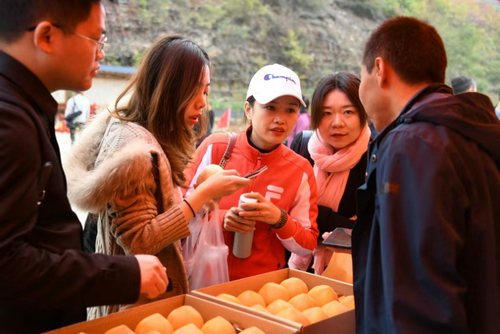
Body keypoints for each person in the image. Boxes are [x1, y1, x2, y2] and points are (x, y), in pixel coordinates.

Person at [0, 1, 170, 332]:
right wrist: (125, 274)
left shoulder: (24, 109)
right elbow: (7, 264)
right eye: (96, 39)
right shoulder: (10, 123)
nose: (101, 54)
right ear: (47, 36)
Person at [64, 35, 251, 319]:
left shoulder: (146, 134)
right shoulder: (134, 151)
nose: (202, 103)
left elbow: (155, 212)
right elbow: (141, 240)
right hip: (133, 311)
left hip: (146, 304)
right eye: (195, 90)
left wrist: (200, 197)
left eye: (207, 92)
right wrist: (202, 195)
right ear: (169, 88)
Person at [354, 16, 500, 333]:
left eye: (360, 74)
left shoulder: (411, 146)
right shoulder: (470, 132)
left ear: (380, 70)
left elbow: (418, 300)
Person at [185, 63, 319, 281]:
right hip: (204, 281)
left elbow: (307, 245)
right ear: (248, 109)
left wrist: (278, 218)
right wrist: (221, 219)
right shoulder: (216, 147)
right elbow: (178, 212)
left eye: (290, 110)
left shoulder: (300, 170)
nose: (280, 119)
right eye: (270, 107)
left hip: (262, 290)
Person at [288, 72, 370, 277]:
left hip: (350, 275)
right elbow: (285, 208)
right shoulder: (303, 145)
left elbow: (371, 227)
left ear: (363, 113)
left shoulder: (375, 156)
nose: (337, 122)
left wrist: (315, 214)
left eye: (348, 112)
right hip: (295, 270)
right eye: (326, 113)